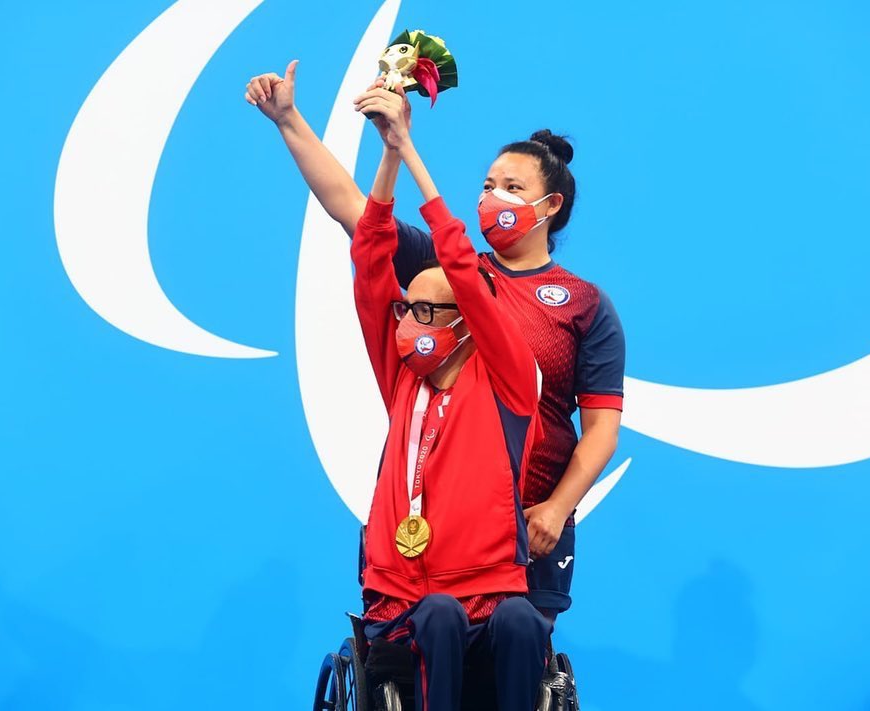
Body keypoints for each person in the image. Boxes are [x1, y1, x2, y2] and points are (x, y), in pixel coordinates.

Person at [245, 63, 625, 622]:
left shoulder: (585, 305)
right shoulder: (445, 273)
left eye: (513, 188)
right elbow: (352, 208)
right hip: (436, 515)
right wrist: (288, 121)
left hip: (528, 523)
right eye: (489, 185)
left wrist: (556, 508)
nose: (492, 197)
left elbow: (600, 431)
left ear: (551, 208)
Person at [351, 89, 549, 711]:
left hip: (489, 587)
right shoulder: (400, 374)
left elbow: (464, 266)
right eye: (406, 308)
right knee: (436, 614)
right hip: (404, 595)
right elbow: (368, 259)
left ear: (468, 321)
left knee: (523, 623)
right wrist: (387, 156)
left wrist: (413, 152)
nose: (407, 320)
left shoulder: (510, 383)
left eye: (425, 311)